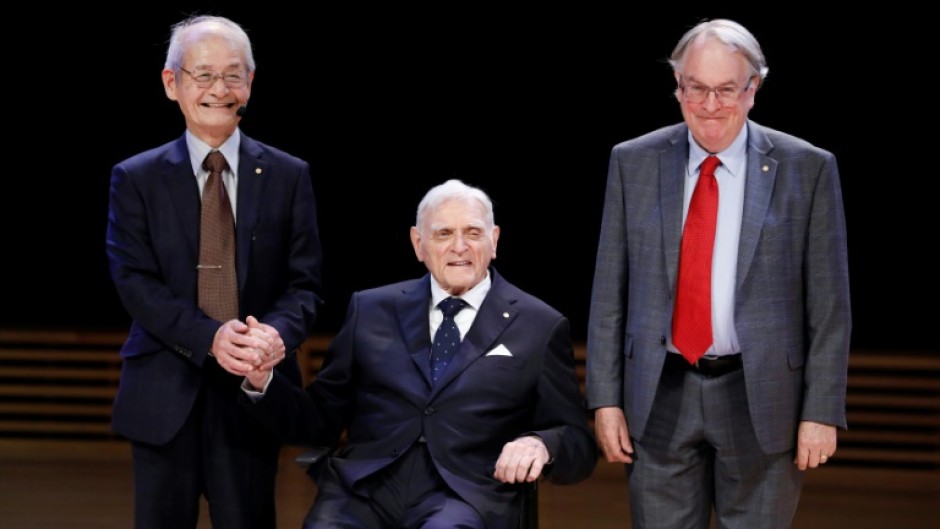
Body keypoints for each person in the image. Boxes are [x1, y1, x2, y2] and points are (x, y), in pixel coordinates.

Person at [585, 18, 851, 529]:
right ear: (677, 86)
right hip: (659, 394)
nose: (709, 105)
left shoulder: (808, 168)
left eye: (726, 89)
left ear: (755, 89)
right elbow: (608, 295)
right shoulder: (633, 162)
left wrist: (820, 410)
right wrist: (605, 399)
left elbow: (829, 306)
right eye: (695, 89)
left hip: (762, 399)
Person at [241, 178, 597, 529]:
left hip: (465, 495)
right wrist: (263, 381)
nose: (460, 246)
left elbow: (577, 441)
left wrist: (540, 444)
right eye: (443, 234)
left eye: (473, 233)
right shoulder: (370, 309)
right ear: (418, 244)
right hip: (362, 491)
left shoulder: (539, 324)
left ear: (495, 240)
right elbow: (319, 420)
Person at [105, 15, 323, 529]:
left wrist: (275, 336)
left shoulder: (290, 175)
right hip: (163, 390)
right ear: (171, 82)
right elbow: (135, 282)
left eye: (233, 75)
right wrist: (210, 337)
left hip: (251, 392)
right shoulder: (135, 178)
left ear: (250, 83)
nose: (218, 89)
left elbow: (305, 284)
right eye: (202, 75)